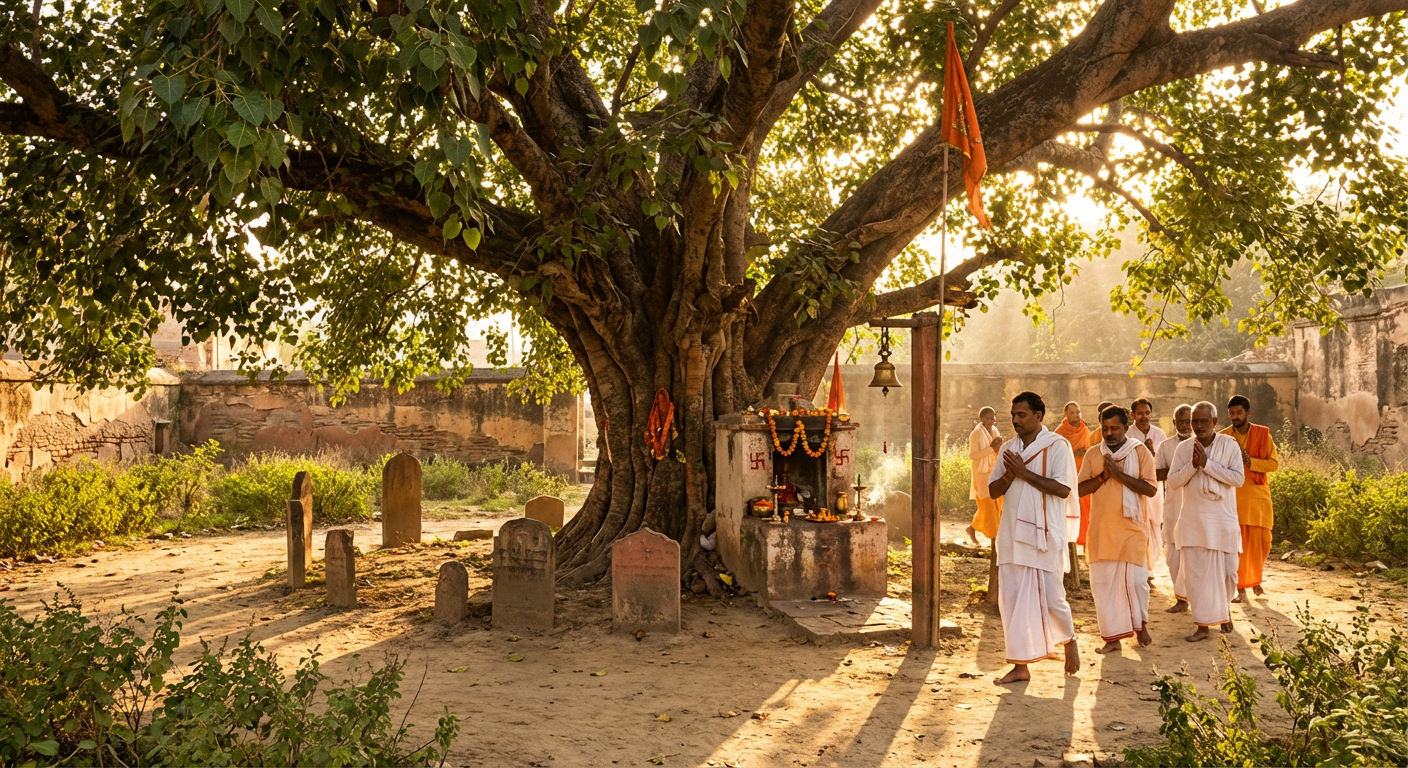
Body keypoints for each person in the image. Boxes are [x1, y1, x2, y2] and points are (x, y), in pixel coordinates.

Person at [988, 391, 1081, 684]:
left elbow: (1063, 489)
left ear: (1038, 416)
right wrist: (1011, 475)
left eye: (1022, 415)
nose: (1015, 420)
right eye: (1013, 415)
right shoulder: (1008, 448)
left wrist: (1024, 473)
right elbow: (993, 490)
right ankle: (1020, 666)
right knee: (1012, 601)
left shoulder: (1057, 445)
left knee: (1053, 598)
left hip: (1044, 535)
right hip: (1013, 536)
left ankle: (1070, 642)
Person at [1078, 406, 1158, 654]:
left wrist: (1120, 477)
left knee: (1136, 583)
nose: (1109, 433)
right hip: (1102, 529)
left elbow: (1151, 489)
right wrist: (1103, 477)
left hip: (1132, 528)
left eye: (1114, 428)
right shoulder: (1094, 454)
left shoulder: (1140, 450)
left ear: (1126, 427)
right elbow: (1080, 490)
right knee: (1104, 586)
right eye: (1104, 429)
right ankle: (1112, 639)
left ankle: (1140, 624)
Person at [1167, 402, 1243, 642]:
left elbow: (1238, 479)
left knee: (1228, 573)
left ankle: (1224, 612)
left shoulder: (1230, 445)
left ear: (1214, 422)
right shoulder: (1183, 448)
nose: (1198, 426)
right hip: (1194, 522)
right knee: (1197, 576)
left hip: (1222, 521)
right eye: (1194, 422)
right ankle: (1202, 626)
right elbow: (1173, 482)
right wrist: (1193, 465)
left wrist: (1207, 465)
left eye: (1203, 421)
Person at [1221, 394, 1279, 602]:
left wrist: (1250, 461)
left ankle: (1255, 579)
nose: (1235, 417)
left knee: (1263, 543)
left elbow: (1273, 464)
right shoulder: (1223, 437)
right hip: (1233, 499)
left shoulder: (1263, 436)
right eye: (1231, 413)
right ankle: (1242, 589)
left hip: (1257, 498)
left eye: (1238, 413)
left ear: (1248, 413)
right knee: (1239, 546)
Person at [1155, 404, 1195, 613]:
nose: (1186, 425)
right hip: (1173, 505)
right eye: (1182, 422)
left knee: (1193, 554)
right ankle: (1181, 599)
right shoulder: (1166, 446)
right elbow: (1156, 474)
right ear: (1174, 423)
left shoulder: (1203, 444)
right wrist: (1178, 471)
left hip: (1195, 507)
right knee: (1172, 555)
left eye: (1189, 421)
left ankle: (1194, 598)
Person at [1129, 398, 1167, 579]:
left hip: (1155, 489)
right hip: (1135, 487)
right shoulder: (1128, 435)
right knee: (1138, 525)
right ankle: (1142, 570)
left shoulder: (1160, 434)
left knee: (1154, 525)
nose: (1144, 417)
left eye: (1147, 413)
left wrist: (1152, 453)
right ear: (1133, 415)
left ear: (1151, 414)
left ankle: (1150, 567)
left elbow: (1164, 462)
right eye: (1140, 413)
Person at [1053, 402, 1091, 547]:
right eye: (1072, 413)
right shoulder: (1060, 432)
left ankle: (1085, 539)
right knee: (1070, 506)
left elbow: (1088, 448)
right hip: (1068, 474)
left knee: (1086, 506)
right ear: (1065, 414)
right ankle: (1070, 540)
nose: (1076, 415)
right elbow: (1057, 455)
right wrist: (1075, 453)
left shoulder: (1084, 428)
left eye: (1078, 412)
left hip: (1084, 473)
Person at [966, 407, 1004, 545]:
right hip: (981, 475)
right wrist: (991, 448)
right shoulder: (975, 434)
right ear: (981, 418)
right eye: (987, 418)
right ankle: (994, 539)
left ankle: (972, 528)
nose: (990, 421)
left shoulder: (995, 431)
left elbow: (997, 451)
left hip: (994, 472)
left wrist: (998, 449)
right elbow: (973, 456)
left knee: (995, 505)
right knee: (988, 506)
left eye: (992, 418)